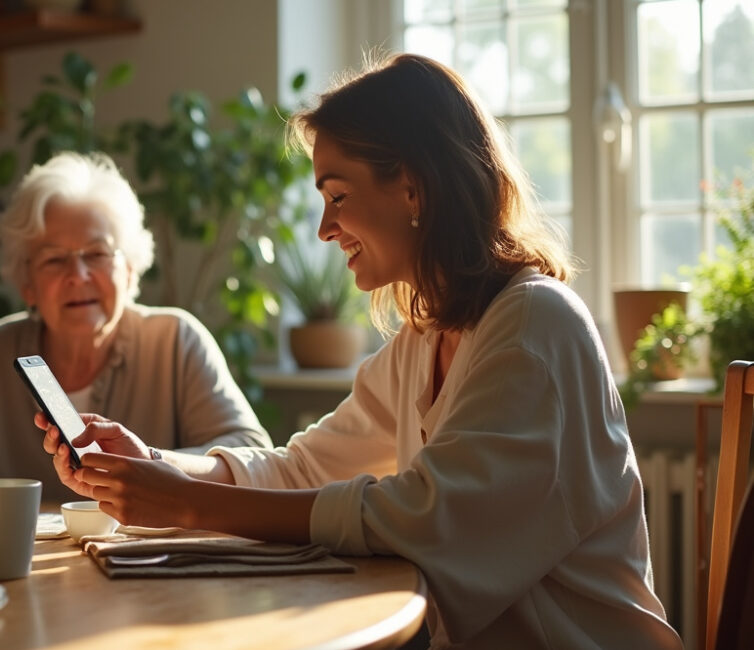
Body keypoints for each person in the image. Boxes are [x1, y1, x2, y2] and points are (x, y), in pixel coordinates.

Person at [37, 54, 683, 648]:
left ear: (414, 187)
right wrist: (156, 464)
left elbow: (424, 519)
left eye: (338, 197)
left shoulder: (535, 326)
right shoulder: (424, 339)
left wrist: (186, 503)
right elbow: (304, 468)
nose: (325, 228)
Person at [0, 151, 271, 504]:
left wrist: (153, 463)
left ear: (130, 270)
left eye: (97, 254)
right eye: (54, 259)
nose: (78, 275)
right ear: (26, 283)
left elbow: (252, 455)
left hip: (142, 546)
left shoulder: (176, 342)